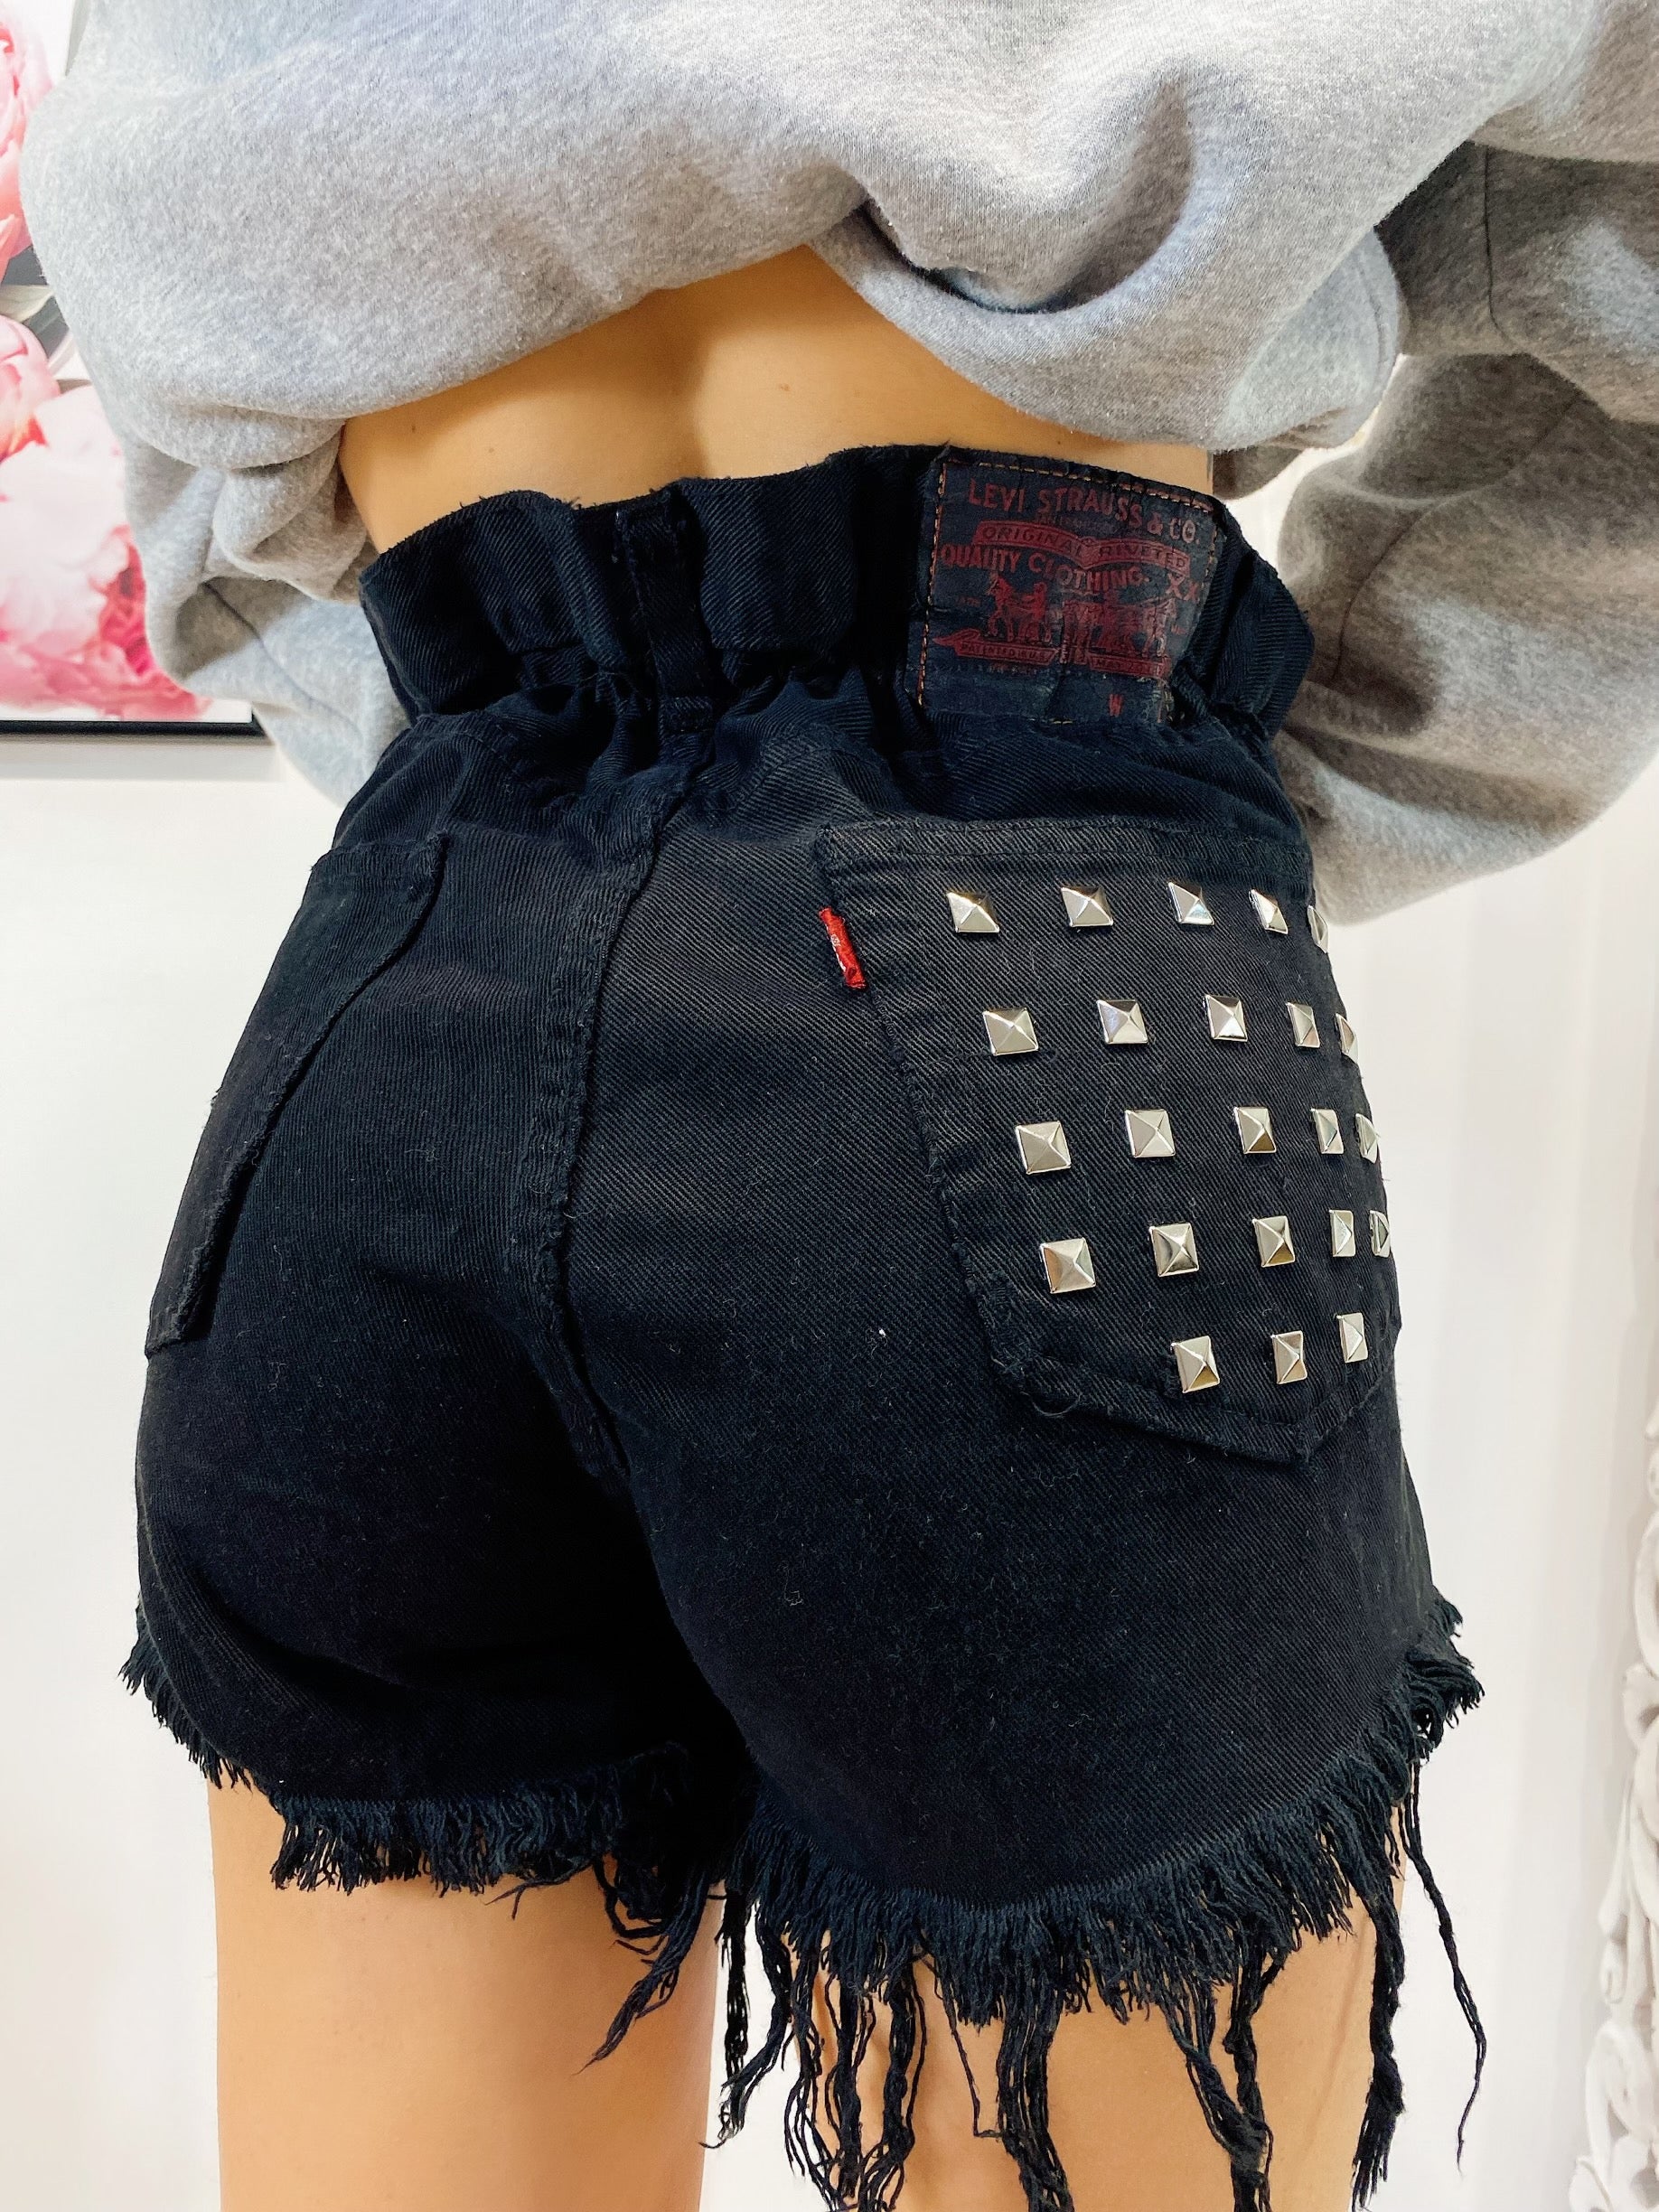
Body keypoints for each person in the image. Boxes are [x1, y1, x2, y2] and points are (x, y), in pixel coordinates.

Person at [18, 7, 1658, 2211]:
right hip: (1042, 952)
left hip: (395, 997)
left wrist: (483, 793)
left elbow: (201, 466)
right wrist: (1221, 782)